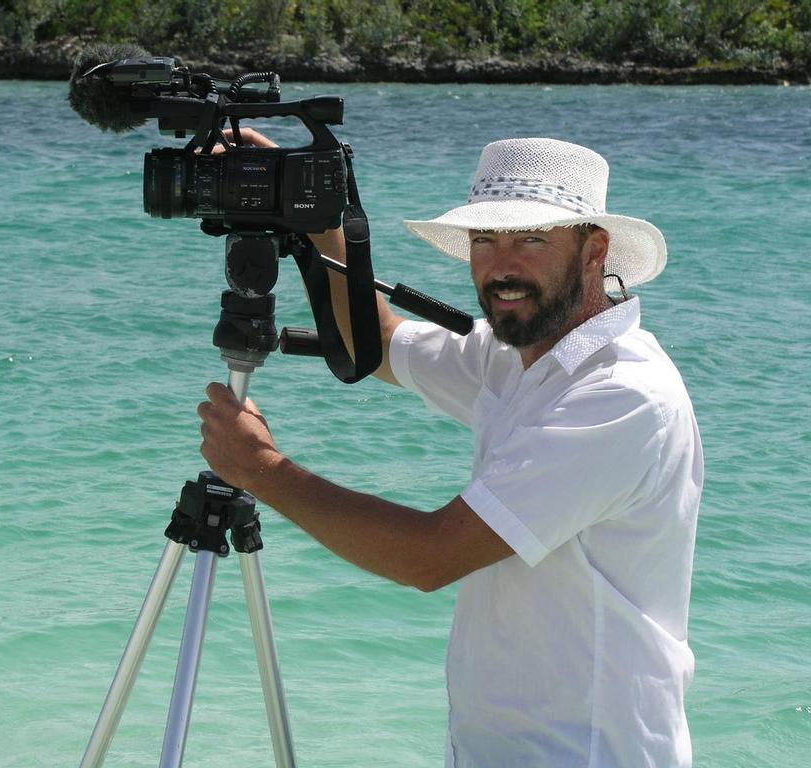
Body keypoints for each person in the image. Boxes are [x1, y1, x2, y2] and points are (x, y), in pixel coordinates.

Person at [197, 136, 703, 767]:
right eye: (484, 240)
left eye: (531, 240)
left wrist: (263, 472)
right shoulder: (517, 354)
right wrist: (319, 223)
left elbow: (430, 557)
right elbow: (377, 344)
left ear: (594, 250)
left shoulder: (622, 394)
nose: (501, 266)